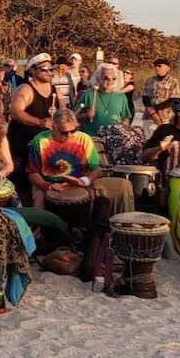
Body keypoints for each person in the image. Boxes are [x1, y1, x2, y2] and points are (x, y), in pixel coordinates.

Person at [28, 110, 133, 271]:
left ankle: (93, 241)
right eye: (64, 132)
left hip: (79, 183)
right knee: (38, 200)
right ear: (54, 127)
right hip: (49, 183)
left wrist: (83, 181)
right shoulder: (40, 140)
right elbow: (33, 173)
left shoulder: (83, 139)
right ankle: (36, 240)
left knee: (101, 196)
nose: (69, 135)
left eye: (73, 130)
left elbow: (96, 169)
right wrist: (47, 186)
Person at [7, 52, 58, 201]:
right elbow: (15, 112)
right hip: (21, 146)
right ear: (33, 71)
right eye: (44, 69)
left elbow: (62, 113)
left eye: (50, 69)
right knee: (21, 185)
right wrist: (39, 122)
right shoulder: (26, 89)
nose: (49, 72)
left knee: (39, 185)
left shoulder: (54, 91)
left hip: (41, 148)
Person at [73, 64, 131, 137]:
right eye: (106, 78)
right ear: (98, 78)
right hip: (93, 138)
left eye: (113, 78)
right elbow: (74, 116)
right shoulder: (89, 94)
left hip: (114, 139)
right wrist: (86, 116)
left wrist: (122, 127)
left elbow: (126, 118)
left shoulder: (121, 96)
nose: (110, 81)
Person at [141, 58, 180, 126]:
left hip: (166, 118)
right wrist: (152, 112)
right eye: (155, 66)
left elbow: (174, 99)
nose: (157, 68)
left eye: (159, 66)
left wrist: (156, 109)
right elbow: (145, 96)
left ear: (167, 68)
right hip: (150, 116)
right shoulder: (150, 80)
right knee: (149, 136)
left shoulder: (173, 81)